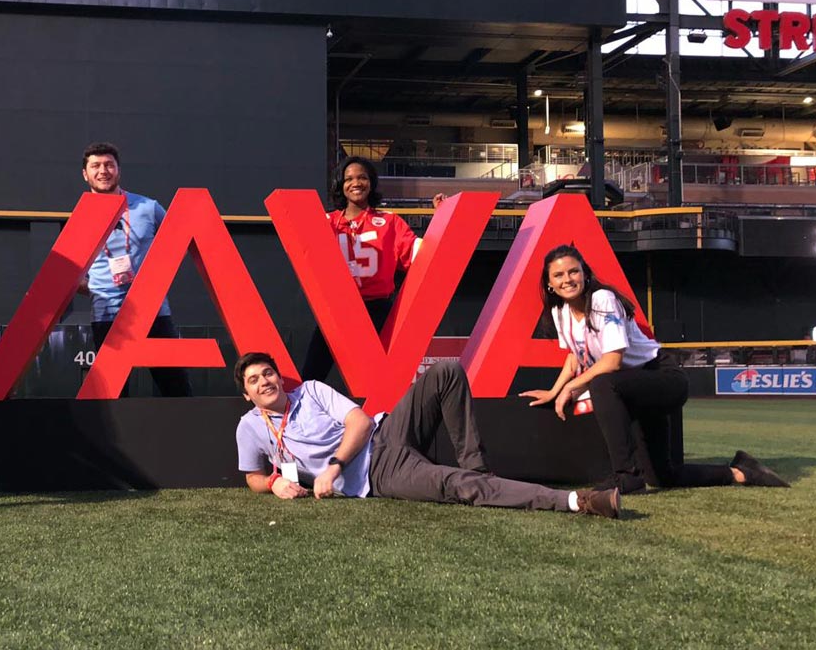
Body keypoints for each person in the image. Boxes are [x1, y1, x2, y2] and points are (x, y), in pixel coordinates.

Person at [520, 244, 789, 495]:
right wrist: (555, 390)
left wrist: (572, 386)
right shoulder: (561, 312)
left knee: (602, 383)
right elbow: (576, 357)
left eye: (573, 271)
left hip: (661, 377)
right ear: (550, 283)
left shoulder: (601, 299)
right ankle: (742, 472)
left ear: (585, 274)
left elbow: (612, 361)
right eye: (558, 275)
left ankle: (625, 475)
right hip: (631, 387)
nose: (567, 279)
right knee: (662, 477)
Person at [234, 351, 622, 518]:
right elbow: (253, 476)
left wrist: (332, 468)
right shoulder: (250, 427)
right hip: (377, 473)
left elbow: (360, 422)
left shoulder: (311, 390)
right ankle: (577, 501)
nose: (265, 381)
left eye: (268, 373)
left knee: (447, 370)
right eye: (255, 380)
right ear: (247, 393)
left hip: (385, 431)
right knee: (454, 485)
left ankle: (478, 469)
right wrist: (273, 485)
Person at [300, 155, 444, 383]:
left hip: (378, 310)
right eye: (348, 179)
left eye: (362, 177)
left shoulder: (390, 222)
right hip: (338, 309)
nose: (355, 183)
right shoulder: (326, 222)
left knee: (385, 381)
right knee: (310, 377)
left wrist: (441, 218)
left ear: (371, 182)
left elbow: (421, 255)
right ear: (340, 184)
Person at [78, 141, 191, 397]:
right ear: (85, 174)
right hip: (106, 314)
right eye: (95, 166)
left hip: (153, 310)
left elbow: (180, 239)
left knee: (176, 387)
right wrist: (96, 288)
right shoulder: (80, 218)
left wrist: (158, 277)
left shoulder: (148, 207)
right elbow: (71, 275)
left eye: (109, 165)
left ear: (119, 170)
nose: (103, 171)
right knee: (114, 394)